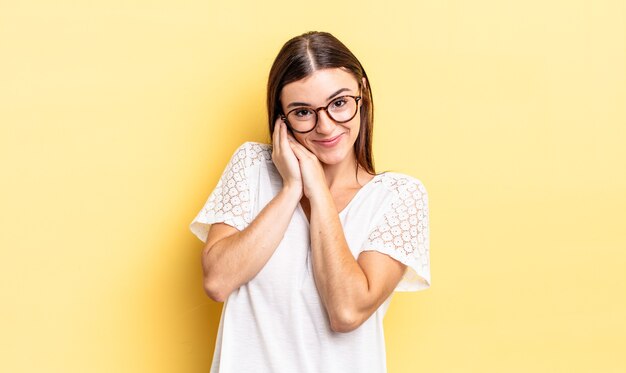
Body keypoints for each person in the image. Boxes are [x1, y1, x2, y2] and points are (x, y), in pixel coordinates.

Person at [189, 31, 430, 373]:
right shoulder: (252, 167)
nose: (326, 126)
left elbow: (346, 311)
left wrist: (317, 190)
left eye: (339, 103)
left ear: (363, 94)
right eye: (303, 112)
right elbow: (217, 281)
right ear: (281, 120)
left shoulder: (398, 197)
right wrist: (290, 189)